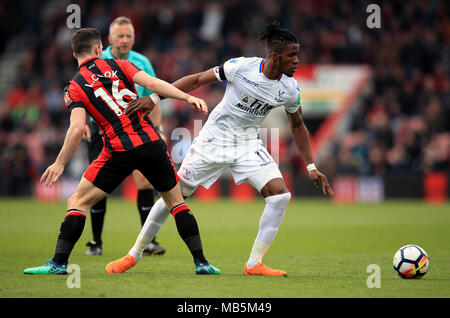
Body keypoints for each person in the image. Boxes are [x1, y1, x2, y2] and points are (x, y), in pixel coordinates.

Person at [106, 22, 334, 277]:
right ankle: (134, 254)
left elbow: (297, 124)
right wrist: (155, 98)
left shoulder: (290, 89)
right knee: (174, 196)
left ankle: (254, 264)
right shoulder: (241, 67)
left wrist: (311, 166)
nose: (297, 61)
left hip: (248, 143)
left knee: (280, 195)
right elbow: (196, 80)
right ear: (275, 57)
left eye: (298, 55)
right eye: (292, 55)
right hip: (214, 141)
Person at [23, 28, 220, 275]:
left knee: (78, 201)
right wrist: (185, 96)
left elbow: (75, 130)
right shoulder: (120, 65)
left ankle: (59, 264)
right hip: (150, 142)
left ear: (74, 54)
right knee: (176, 202)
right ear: (98, 48)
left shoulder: (74, 87)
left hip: (117, 150)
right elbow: (152, 84)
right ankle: (202, 263)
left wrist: (60, 163)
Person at [84, 16, 165, 256]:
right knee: (99, 187)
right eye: (120, 36)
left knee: (145, 182)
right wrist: (82, 122)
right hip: (102, 131)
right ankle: (96, 243)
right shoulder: (96, 62)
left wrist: (158, 128)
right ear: (109, 39)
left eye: (129, 36)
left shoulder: (142, 62)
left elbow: (154, 96)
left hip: (136, 130)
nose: (125, 40)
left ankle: (148, 241)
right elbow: (83, 93)